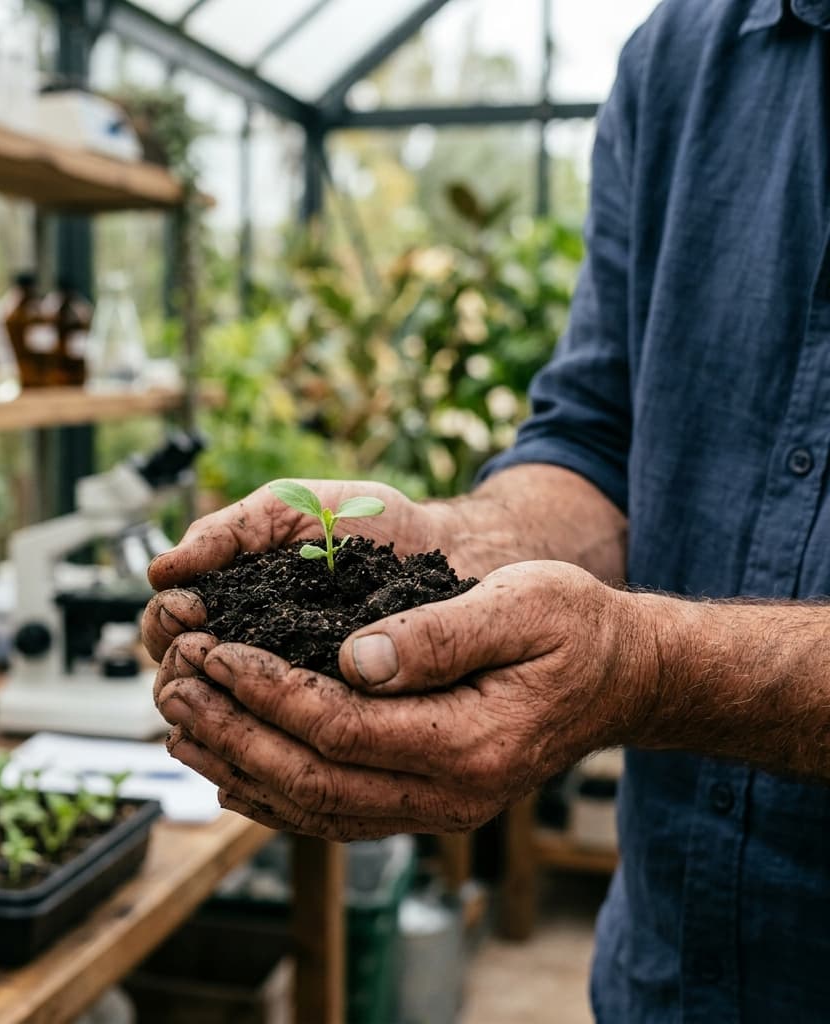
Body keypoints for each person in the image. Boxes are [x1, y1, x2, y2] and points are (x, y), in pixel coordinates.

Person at [143, 0, 830, 1018]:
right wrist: (462, 544)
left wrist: (648, 667)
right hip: (665, 980)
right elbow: (595, 440)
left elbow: (646, 660)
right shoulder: (683, 54)